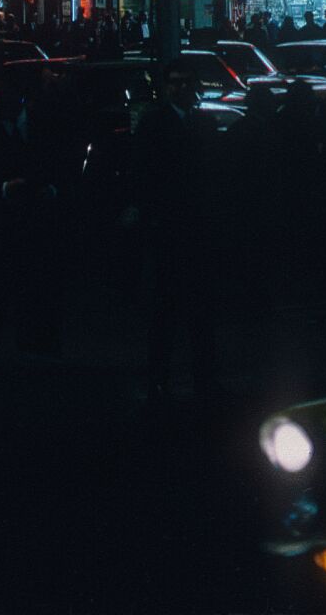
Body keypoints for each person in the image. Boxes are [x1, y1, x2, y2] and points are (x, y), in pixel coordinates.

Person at [131, 59, 221, 407]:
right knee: (167, 311)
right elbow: (145, 174)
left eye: (185, 82)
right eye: (174, 82)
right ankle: (163, 380)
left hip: (193, 227)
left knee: (197, 311)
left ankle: (200, 379)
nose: (180, 88)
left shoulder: (200, 123)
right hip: (171, 228)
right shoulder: (158, 124)